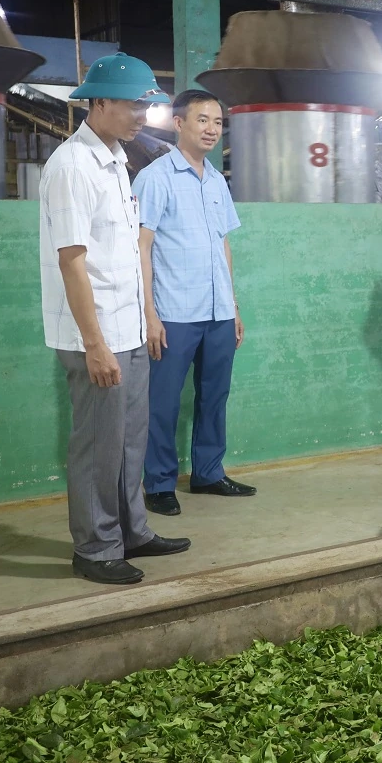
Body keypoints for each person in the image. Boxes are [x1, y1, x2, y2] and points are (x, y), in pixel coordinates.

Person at [39, 53, 189, 585]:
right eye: (131, 106)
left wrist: (147, 317)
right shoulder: (72, 167)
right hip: (96, 333)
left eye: (146, 107)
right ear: (98, 103)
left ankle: (131, 531)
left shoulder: (118, 162)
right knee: (97, 445)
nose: (141, 117)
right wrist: (95, 343)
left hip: (128, 328)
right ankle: (96, 548)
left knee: (129, 441)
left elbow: (124, 255)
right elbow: (73, 262)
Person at [132, 89, 252, 517]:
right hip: (174, 312)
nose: (212, 129)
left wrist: (233, 306)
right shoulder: (155, 178)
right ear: (178, 123)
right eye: (202, 120)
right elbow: (141, 246)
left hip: (218, 311)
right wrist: (149, 313)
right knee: (163, 402)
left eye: (218, 122)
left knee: (215, 395)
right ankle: (159, 483)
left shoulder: (217, 180)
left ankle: (208, 473)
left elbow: (223, 245)